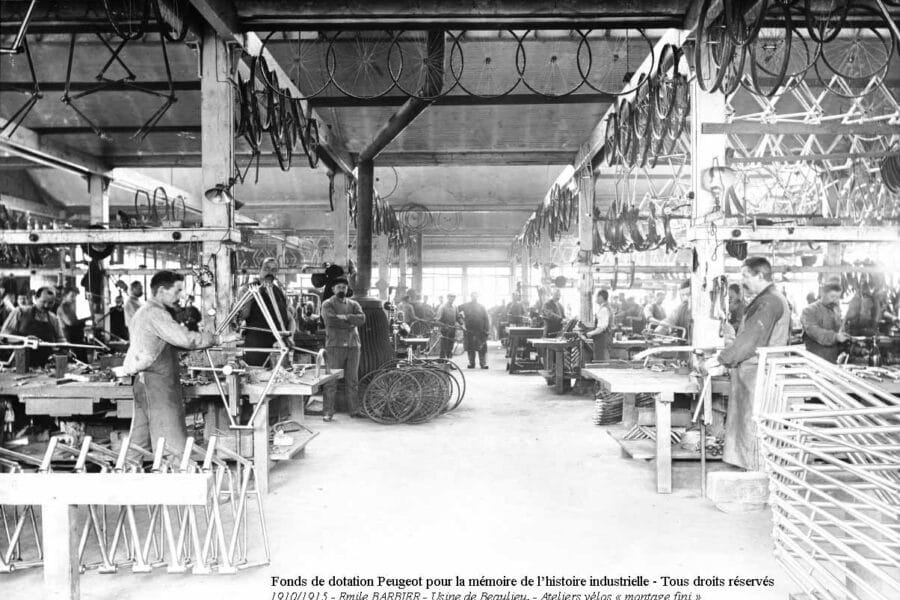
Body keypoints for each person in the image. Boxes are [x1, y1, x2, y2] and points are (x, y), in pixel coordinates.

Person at [115, 271, 239, 454]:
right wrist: (219, 339)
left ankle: (127, 475)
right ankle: (177, 478)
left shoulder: (145, 311)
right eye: (177, 290)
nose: (180, 295)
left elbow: (166, 342)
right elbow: (185, 339)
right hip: (155, 383)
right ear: (162, 290)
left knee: (138, 442)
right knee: (172, 443)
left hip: (145, 381)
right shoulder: (154, 313)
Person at [703, 257, 791, 471]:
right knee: (750, 427)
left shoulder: (769, 301)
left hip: (760, 374)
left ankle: (756, 475)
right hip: (755, 372)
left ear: (760, 275)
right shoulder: (769, 298)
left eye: (745, 275)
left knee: (754, 427)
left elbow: (751, 339)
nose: (742, 280)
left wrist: (722, 358)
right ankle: (754, 469)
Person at [321, 277, 366, 421]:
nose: (342, 289)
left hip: (353, 346)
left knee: (352, 380)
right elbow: (330, 320)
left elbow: (362, 319)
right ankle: (328, 412)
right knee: (331, 380)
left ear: (347, 289)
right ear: (333, 289)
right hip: (335, 346)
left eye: (344, 287)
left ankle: (354, 410)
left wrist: (345, 317)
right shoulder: (327, 304)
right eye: (339, 287)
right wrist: (351, 322)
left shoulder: (354, 303)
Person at [240, 258, 294, 367]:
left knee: (281, 379)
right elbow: (243, 315)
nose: (270, 272)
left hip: (278, 346)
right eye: (266, 269)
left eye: (274, 270)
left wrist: (290, 337)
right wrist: (253, 294)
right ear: (259, 270)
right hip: (257, 347)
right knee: (257, 379)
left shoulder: (279, 291)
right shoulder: (248, 289)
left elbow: (290, 319)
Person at [1, 286, 66, 369]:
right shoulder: (20, 312)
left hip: (46, 367)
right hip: (21, 365)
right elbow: (4, 337)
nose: (46, 306)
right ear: (35, 298)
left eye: (50, 303)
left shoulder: (53, 319)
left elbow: (61, 340)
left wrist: (65, 348)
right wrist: (24, 339)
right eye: (44, 302)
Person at [801, 283, 847, 363]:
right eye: (832, 296)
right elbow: (815, 332)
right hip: (815, 361)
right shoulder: (809, 311)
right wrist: (836, 337)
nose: (835, 300)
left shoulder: (835, 310)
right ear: (822, 294)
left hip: (832, 360)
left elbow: (839, 331)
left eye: (837, 297)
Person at [460, 292, 490, 369]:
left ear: (477, 297)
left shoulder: (481, 307)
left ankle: (483, 363)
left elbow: (486, 319)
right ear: (471, 297)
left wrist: (486, 330)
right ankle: (471, 363)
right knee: (470, 347)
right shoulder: (465, 306)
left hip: (480, 330)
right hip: (469, 330)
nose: (474, 297)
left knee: (482, 347)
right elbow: (457, 311)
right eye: (473, 296)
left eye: (476, 296)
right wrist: (461, 321)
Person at [57, 287, 88, 360]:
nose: (74, 299)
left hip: (77, 339)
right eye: (72, 296)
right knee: (76, 361)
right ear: (65, 296)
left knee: (83, 361)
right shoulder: (62, 308)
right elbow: (70, 323)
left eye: (75, 296)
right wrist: (86, 319)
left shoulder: (70, 307)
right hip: (70, 339)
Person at [583, 289, 614, 361]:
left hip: (601, 339)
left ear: (601, 297)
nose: (595, 298)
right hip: (606, 338)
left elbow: (601, 328)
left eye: (596, 296)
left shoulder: (604, 309)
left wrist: (590, 333)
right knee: (604, 361)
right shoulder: (607, 307)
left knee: (601, 363)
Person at [436, 294, 460, 359]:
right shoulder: (442, 307)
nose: (452, 299)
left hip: (452, 330)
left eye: (453, 297)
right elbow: (437, 320)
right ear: (447, 298)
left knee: (450, 347)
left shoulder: (455, 307)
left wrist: (462, 324)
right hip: (444, 331)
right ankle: (441, 363)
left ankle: (449, 363)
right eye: (450, 297)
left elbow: (458, 317)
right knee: (443, 347)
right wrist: (444, 326)